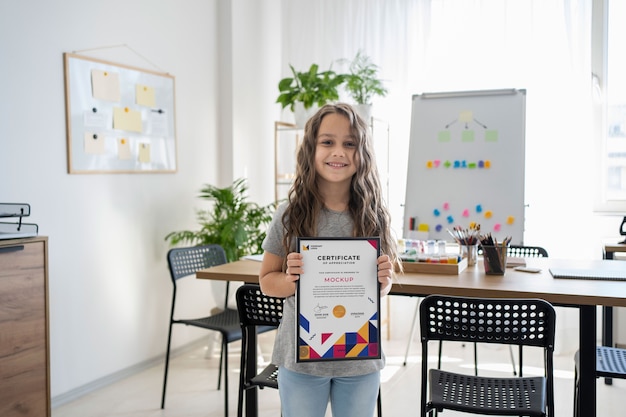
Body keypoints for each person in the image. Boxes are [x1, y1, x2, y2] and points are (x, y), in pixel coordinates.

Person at [259, 102, 400, 417]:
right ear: (310, 150)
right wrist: (289, 280)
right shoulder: (289, 214)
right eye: (328, 142)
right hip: (302, 359)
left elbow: (378, 291)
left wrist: (384, 282)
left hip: (361, 357)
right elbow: (268, 282)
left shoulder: (373, 215)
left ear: (362, 154)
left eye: (349, 144)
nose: (339, 151)